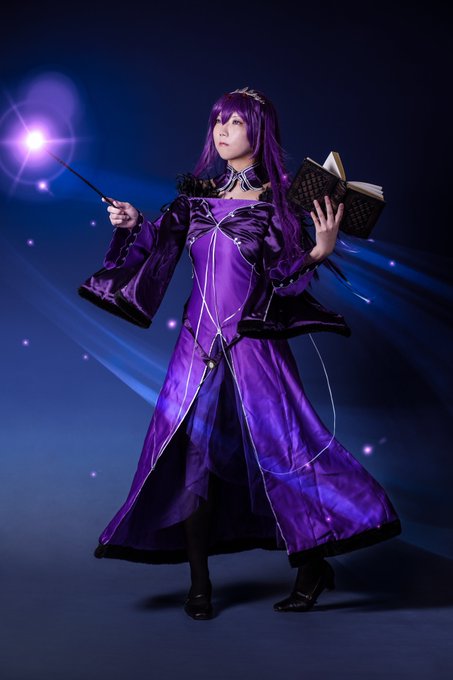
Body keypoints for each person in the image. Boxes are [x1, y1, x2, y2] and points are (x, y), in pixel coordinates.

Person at [78, 86, 402, 620]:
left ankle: (313, 567)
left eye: (234, 121)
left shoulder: (279, 204)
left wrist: (317, 252)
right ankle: (199, 584)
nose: (222, 130)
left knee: (285, 451)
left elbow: (282, 280)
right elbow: (159, 249)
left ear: (259, 130)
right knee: (190, 458)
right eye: (217, 121)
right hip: (196, 348)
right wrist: (135, 223)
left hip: (254, 347)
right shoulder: (193, 200)